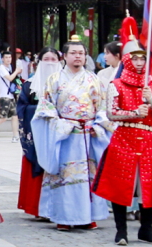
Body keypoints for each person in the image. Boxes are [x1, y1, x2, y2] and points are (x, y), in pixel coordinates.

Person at [93, 42, 152, 246]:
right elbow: (111, 113)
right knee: (121, 184)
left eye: (142, 58)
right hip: (124, 138)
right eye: (134, 58)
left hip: (148, 141)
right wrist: (134, 114)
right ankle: (121, 231)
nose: (138, 62)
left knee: (147, 186)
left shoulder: (151, 84)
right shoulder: (116, 85)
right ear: (126, 59)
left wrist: (151, 99)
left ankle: (146, 229)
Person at [34, 41, 111, 231]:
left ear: (86, 57)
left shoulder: (94, 80)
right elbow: (46, 108)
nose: (78, 56)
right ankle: (64, 216)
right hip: (65, 135)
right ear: (65, 57)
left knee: (87, 178)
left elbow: (102, 108)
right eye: (73, 53)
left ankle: (88, 216)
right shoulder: (54, 79)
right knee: (65, 178)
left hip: (87, 134)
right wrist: (61, 125)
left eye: (81, 53)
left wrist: (97, 126)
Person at [15, 48, 56, 218]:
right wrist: (41, 110)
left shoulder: (66, 85)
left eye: (53, 59)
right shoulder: (29, 85)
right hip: (36, 134)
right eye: (46, 59)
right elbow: (22, 108)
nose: (49, 62)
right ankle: (36, 207)